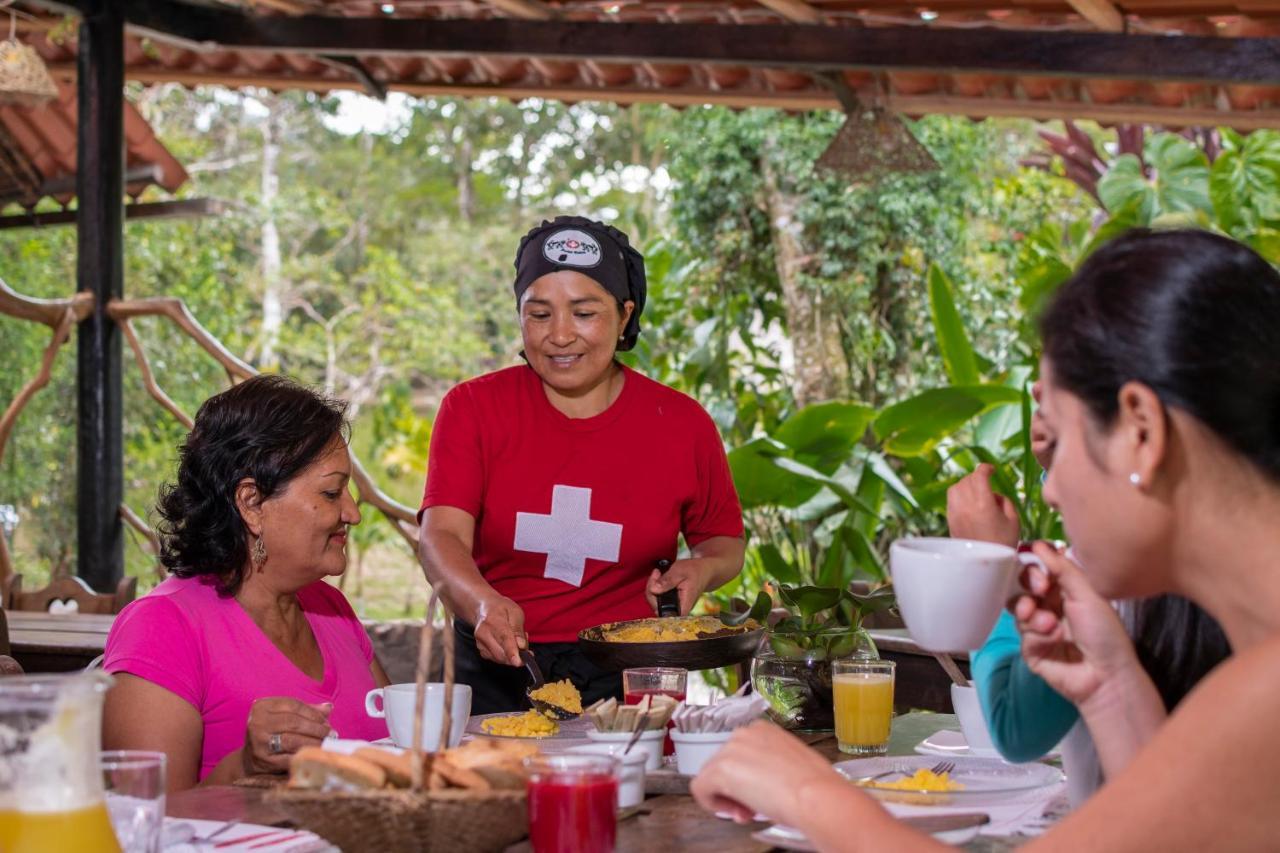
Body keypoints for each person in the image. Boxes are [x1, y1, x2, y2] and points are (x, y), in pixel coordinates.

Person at [691, 228, 1280, 850]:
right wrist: (1109, 688)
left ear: (1140, 431)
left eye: (1055, 440)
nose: (1051, 492)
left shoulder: (1261, 697)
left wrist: (806, 791)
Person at [418, 215, 745, 714]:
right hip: (497, 661)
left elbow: (724, 543)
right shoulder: (473, 409)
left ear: (624, 314)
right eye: (540, 314)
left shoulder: (681, 423)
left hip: (631, 670)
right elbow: (440, 537)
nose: (560, 336)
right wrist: (482, 603)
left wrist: (700, 571)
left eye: (585, 313)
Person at [102, 376, 389, 792]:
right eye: (331, 493)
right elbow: (147, 822)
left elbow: (391, 755)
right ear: (252, 504)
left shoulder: (331, 608)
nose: (352, 513)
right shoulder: (162, 627)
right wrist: (247, 765)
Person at [949, 462, 1229, 774]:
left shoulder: (1105, 579)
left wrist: (988, 564)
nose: (1049, 492)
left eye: (1059, 422)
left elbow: (1015, 733)